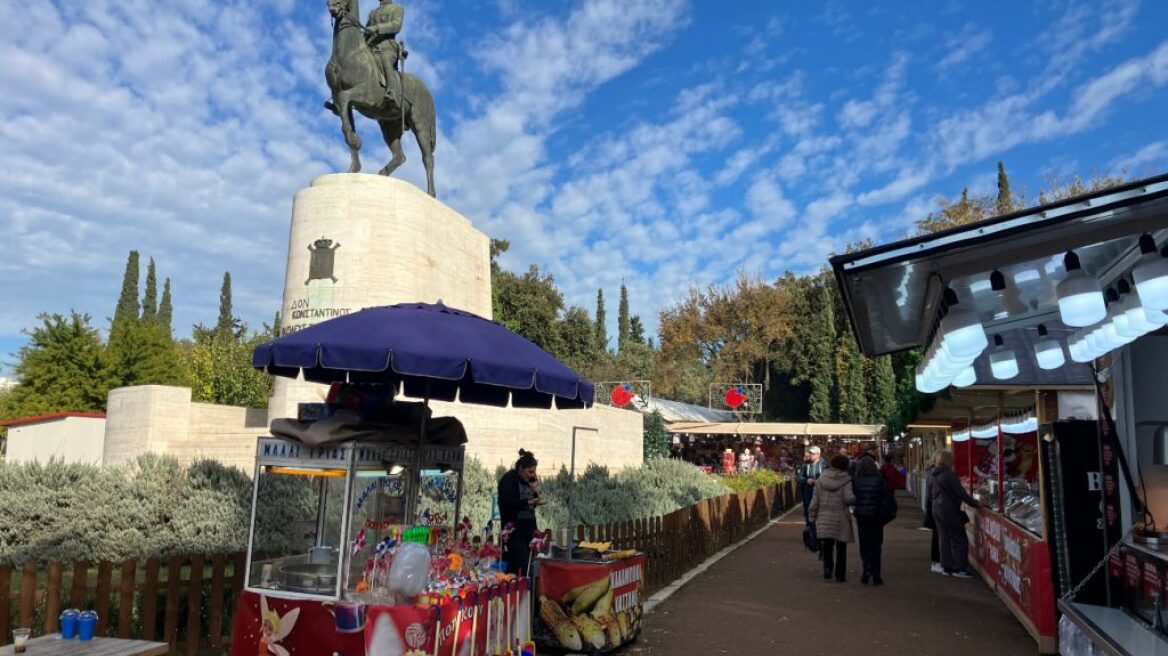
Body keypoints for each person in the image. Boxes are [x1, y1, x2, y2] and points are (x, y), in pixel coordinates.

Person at [929, 450, 981, 578]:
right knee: (960, 539)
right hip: (949, 509)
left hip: (937, 508)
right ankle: (959, 568)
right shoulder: (948, 475)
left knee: (944, 538)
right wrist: (976, 504)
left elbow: (929, 494)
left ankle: (946, 566)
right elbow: (961, 493)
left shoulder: (932, 475)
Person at [497, 449, 547, 575]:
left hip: (528, 531)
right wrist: (528, 502)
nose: (532, 475)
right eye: (530, 471)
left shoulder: (528, 482)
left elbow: (531, 502)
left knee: (530, 566)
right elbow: (507, 503)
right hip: (514, 532)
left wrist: (534, 491)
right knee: (520, 565)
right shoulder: (509, 480)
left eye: (534, 471)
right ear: (520, 468)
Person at [809, 454, 856, 582]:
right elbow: (849, 499)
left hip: (824, 516)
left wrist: (812, 517)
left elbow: (815, 501)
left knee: (827, 545)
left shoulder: (820, 479)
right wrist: (856, 498)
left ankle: (827, 569)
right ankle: (840, 574)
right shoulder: (846, 480)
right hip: (841, 517)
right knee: (841, 547)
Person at [852, 456, 890, 585]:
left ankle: (866, 568)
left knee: (864, 544)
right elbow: (886, 497)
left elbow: (853, 498)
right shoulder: (879, 480)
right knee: (876, 545)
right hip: (876, 516)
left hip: (862, 516)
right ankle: (876, 574)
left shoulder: (857, 481)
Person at [366, 0, 407, 107]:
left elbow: (396, 26)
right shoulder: (372, 12)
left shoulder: (397, 8)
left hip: (388, 46)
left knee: (384, 58)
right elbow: (366, 30)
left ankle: (392, 92)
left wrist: (377, 28)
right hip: (370, 46)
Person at [797, 446, 826, 521]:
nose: (811, 455)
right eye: (810, 453)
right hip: (808, 492)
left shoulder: (824, 465)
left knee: (820, 512)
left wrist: (820, 481)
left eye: (813, 453)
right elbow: (799, 478)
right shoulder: (805, 465)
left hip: (821, 492)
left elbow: (829, 478)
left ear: (818, 454)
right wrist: (806, 480)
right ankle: (809, 527)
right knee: (808, 511)